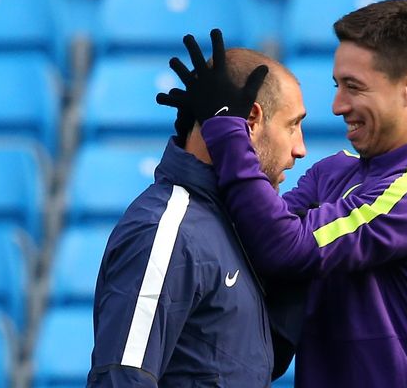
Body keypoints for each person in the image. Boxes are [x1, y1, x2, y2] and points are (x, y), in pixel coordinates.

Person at [162, 0, 407, 387]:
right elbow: (250, 237)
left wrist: (225, 127)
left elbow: (287, 247)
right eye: (337, 86)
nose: (336, 106)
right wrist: (194, 134)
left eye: (353, 87)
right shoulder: (333, 173)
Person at [86, 43, 307, 387]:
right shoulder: (166, 229)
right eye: (292, 125)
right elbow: (122, 378)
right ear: (251, 120)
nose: (300, 148)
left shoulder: (231, 226)